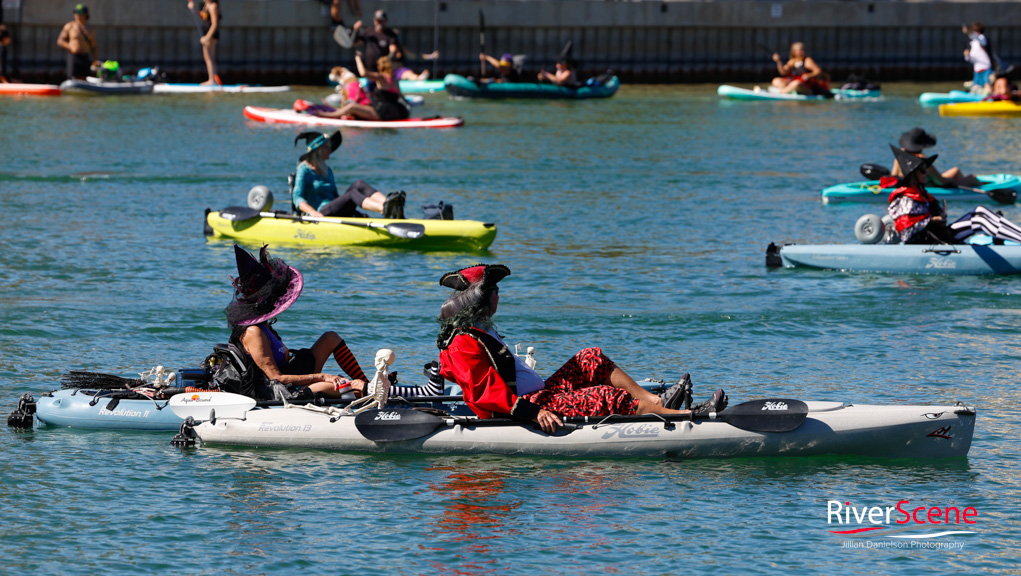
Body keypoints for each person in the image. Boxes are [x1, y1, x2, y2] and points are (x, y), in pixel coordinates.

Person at [435, 264, 727, 433]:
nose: (499, 299)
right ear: (480, 300)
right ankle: (685, 417)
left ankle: (656, 401)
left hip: (541, 395)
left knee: (589, 358)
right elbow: (484, 392)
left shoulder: (479, 331)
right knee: (604, 396)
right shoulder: (462, 343)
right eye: (496, 293)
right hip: (525, 409)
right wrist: (534, 413)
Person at [225, 244, 369, 399]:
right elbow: (276, 378)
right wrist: (321, 377)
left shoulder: (263, 325)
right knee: (340, 386)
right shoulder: (253, 332)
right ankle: (367, 392)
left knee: (330, 338)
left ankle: (366, 383)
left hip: (291, 372)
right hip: (279, 389)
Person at [884, 146, 1021, 245]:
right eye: (922, 170)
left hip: (939, 234)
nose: (926, 173)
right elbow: (907, 233)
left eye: (926, 169)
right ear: (913, 174)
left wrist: (939, 219)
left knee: (980, 211)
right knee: (979, 221)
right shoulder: (905, 198)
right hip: (928, 241)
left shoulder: (922, 194)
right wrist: (932, 221)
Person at [291, 130, 406, 219]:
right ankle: (383, 209)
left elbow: (336, 198)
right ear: (317, 150)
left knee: (359, 184)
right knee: (352, 194)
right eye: (326, 147)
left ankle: (390, 205)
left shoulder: (327, 170)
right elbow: (297, 198)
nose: (330, 150)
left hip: (332, 208)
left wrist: (354, 212)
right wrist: (312, 212)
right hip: (320, 212)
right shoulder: (303, 170)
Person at [890, 128, 980, 188]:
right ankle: (970, 192)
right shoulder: (923, 162)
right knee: (972, 178)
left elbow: (893, 176)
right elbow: (941, 182)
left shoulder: (899, 158)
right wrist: (951, 181)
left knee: (955, 171)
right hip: (931, 187)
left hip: (910, 185)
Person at [355, 53, 410, 121]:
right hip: (399, 111)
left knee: (352, 107)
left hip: (384, 111)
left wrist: (358, 58)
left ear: (379, 67)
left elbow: (363, 73)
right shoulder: (395, 78)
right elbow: (400, 95)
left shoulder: (381, 77)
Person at [56, 4, 98, 80]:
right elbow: (60, 41)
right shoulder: (70, 26)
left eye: (79, 12)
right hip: (74, 57)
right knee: (72, 77)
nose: (77, 15)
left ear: (85, 15)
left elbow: (93, 46)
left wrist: (95, 60)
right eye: (75, 12)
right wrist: (70, 47)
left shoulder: (90, 29)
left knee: (85, 78)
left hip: (85, 57)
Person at [187, 0, 220, 85]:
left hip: (211, 35)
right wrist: (194, 8)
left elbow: (215, 24)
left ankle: (212, 80)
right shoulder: (206, 5)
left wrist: (207, 37)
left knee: (209, 57)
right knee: (207, 57)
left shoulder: (213, 6)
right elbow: (202, 16)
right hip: (206, 33)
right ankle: (213, 78)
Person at [963, 22, 992, 94]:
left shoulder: (982, 38)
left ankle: (990, 96)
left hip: (985, 67)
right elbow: (970, 59)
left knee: (987, 84)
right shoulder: (973, 43)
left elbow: (976, 37)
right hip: (977, 69)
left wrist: (968, 31)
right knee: (976, 86)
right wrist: (967, 55)